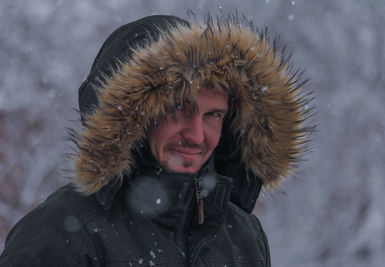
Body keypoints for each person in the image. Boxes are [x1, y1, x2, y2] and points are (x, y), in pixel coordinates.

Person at [0, 14, 312, 266]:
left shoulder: (242, 235)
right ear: (134, 116)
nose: (196, 135)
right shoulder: (62, 232)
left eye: (213, 115)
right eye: (178, 110)